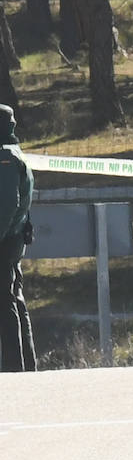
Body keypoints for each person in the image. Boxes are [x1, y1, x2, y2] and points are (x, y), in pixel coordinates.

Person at [0, 104, 35, 372]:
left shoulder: (5, 157)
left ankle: (13, 368)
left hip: (6, 239)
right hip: (14, 238)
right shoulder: (15, 153)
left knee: (4, 301)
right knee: (14, 298)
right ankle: (25, 366)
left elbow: (8, 203)